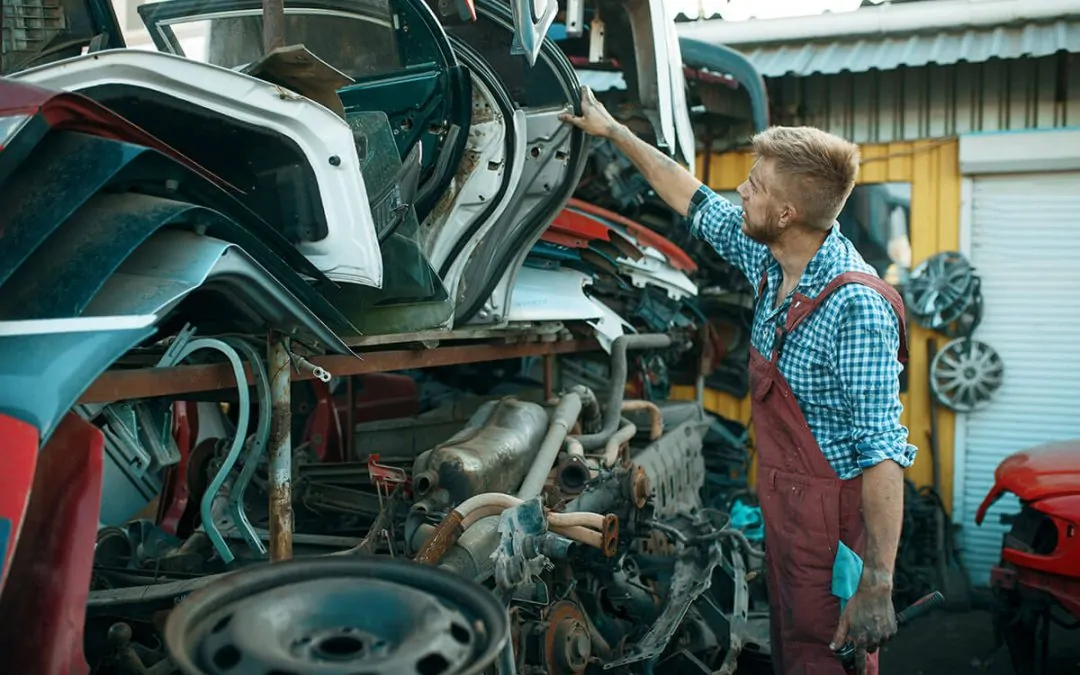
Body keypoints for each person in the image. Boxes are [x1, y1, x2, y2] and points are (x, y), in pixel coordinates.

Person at [559, 86, 916, 675]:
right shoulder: (773, 257)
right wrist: (615, 133)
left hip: (834, 534)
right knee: (790, 647)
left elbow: (882, 452)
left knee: (825, 659)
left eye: (754, 186)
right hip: (786, 510)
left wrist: (878, 581)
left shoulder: (855, 306)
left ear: (785, 214)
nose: (740, 191)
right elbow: (690, 196)